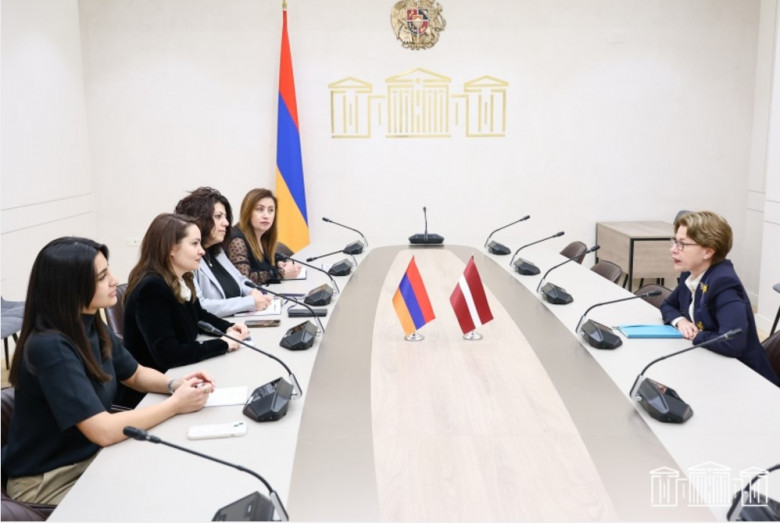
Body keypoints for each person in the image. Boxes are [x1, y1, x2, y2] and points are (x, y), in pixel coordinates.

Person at [2, 237, 215, 505]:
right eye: (102, 276)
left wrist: (174, 384)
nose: (114, 280)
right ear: (71, 287)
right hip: (50, 480)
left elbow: (135, 374)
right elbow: (102, 430)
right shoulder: (50, 346)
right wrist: (175, 405)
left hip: (90, 456)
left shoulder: (89, 322)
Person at [121, 213, 250, 406]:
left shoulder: (182, 278)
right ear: (171, 249)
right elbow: (169, 355)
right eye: (195, 244)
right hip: (151, 395)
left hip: (178, 377)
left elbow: (199, 316)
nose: (202, 251)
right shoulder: (152, 288)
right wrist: (222, 345)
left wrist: (228, 327)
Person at [661, 210, 779, 385]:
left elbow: (733, 342)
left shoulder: (724, 283)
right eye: (674, 242)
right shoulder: (690, 273)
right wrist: (681, 321)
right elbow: (667, 305)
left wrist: (697, 335)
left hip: (746, 378)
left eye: (682, 244)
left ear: (708, 251)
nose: (673, 249)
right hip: (709, 366)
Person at [174, 187, 272, 317]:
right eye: (218, 216)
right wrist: (249, 302)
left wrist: (252, 292)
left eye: (225, 217)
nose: (226, 223)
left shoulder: (217, 250)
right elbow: (200, 306)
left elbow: (241, 280)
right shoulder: (187, 258)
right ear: (200, 219)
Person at [226, 188, 301, 284]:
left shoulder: (262, 235)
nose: (266, 215)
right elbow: (244, 277)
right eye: (260, 209)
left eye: (271, 210)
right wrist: (281, 273)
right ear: (248, 212)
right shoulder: (237, 240)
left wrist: (279, 263)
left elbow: (264, 261)